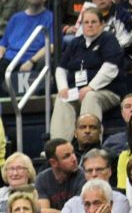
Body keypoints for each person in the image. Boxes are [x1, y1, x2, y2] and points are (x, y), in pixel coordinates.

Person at [50, 8, 125, 141]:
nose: (90, 25)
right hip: (77, 92)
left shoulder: (108, 39)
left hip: (106, 91)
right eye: (86, 22)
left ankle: (90, 143)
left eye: (94, 22)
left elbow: (111, 67)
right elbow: (61, 69)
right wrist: (63, 88)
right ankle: (58, 145)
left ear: (102, 24)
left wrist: (91, 87)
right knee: (62, 99)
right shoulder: (75, 43)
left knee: (90, 96)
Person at [0, 0, 52, 98]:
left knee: (45, 64)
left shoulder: (50, 17)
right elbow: (4, 43)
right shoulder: (16, 18)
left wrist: (31, 61)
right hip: (11, 59)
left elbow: (51, 45)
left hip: (34, 59)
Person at [54, 150, 129, 213]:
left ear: (109, 171)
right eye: (89, 171)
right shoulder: (73, 202)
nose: (94, 174)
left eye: (99, 169)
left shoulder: (119, 200)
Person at [36, 139, 85, 213]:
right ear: (53, 163)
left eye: (73, 153)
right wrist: (51, 212)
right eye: (67, 156)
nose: (74, 159)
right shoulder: (42, 179)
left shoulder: (83, 177)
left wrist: (52, 212)